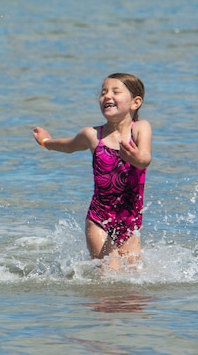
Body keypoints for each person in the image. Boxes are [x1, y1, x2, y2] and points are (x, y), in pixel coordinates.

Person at [32, 73, 152, 268]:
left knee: (133, 282)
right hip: (99, 220)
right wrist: (46, 142)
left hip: (131, 222)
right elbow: (68, 146)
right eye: (104, 92)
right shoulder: (93, 135)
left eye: (115, 91)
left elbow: (145, 156)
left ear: (135, 102)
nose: (107, 96)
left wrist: (138, 159)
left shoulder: (140, 129)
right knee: (111, 275)